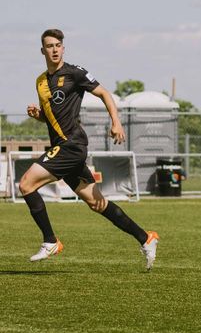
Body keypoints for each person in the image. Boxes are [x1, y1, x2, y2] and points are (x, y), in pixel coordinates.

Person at [17, 28, 158, 268]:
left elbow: (104, 93)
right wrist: (38, 116)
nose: (54, 49)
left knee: (26, 184)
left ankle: (50, 241)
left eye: (58, 45)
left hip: (71, 145)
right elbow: (53, 118)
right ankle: (146, 238)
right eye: (49, 46)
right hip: (63, 147)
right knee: (97, 204)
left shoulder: (74, 73)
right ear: (43, 50)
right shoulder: (41, 82)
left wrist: (116, 122)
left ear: (63, 48)